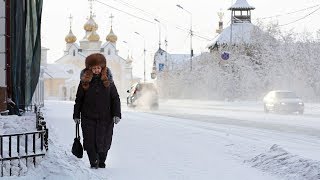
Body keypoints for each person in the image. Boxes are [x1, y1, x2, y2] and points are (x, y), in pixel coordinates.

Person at [73, 53, 121, 169]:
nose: (96, 70)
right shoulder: (84, 81)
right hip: (88, 117)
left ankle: (102, 161)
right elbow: (78, 99)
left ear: (103, 67)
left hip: (106, 117)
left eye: (98, 67)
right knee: (89, 141)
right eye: (94, 68)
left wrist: (116, 114)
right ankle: (93, 161)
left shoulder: (109, 82)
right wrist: (76, 115)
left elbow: (115, 98)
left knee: (104, 140)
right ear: (89, 68)